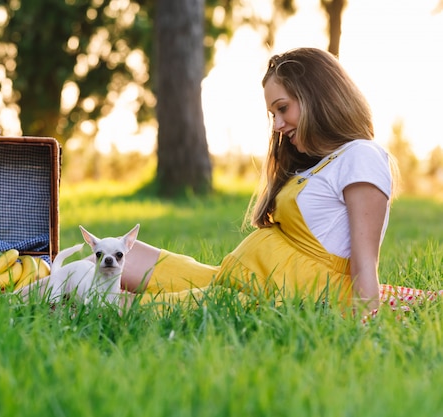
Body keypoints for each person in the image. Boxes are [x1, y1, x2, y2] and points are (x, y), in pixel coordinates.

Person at [120, 47, 400, 315]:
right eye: (273, 115)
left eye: (283, 108)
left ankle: (99, 301)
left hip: (283, 296)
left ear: (316, 97)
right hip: (243, 281)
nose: (277, 125)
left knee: (122, 303)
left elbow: (364, 265)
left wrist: (364, 323)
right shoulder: (318, 163)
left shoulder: (362, 155)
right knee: (115, 257)